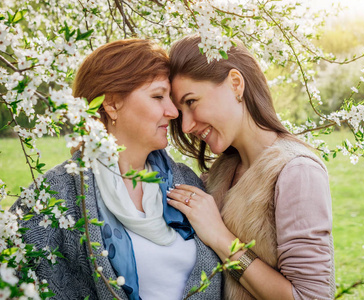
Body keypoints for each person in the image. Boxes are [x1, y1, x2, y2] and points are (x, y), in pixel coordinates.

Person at [11, 39, 221, 300]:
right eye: (157, 96)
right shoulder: (54, 196)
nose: (173, 112)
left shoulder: (185, 181)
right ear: (111, 104)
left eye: (170, 98)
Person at [166, 35, 335, 300]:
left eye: (191, 102)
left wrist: (221, 238)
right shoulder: (219, 173)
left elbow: (309, 297)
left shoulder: (296, 171)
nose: (186, 126)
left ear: (235, 84)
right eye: (180, 111)